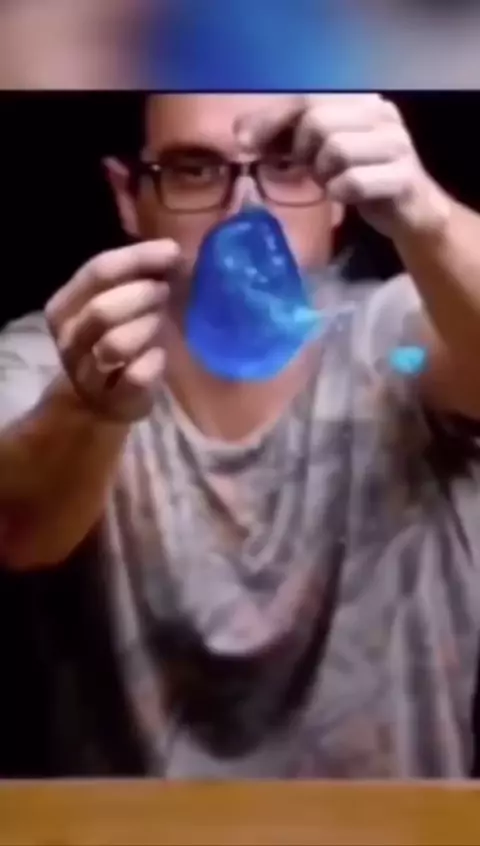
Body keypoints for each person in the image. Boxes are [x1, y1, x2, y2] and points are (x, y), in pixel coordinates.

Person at [2, 92, 480, 778]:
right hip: (131, 828)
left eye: (287, 164)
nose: (245, 210)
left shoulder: (407, 333)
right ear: (130, 198)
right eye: (195, 169)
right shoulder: (64, 352)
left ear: (337, 193)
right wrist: (88, 409)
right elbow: (19, 527)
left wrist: (425, 212)